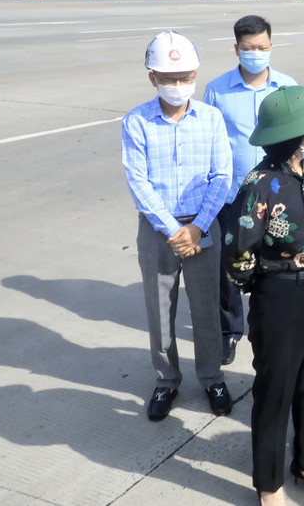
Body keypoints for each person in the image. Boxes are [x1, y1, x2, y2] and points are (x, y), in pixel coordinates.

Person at [224, 86, 304, 506]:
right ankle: (269, 484)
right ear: (298, 134)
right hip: (276, 296)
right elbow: (238, 250)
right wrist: (262, 286)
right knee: (275, 390)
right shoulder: (260, 184)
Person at [121, 30, 233, 421]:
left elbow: (222, 176)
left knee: (206, 310)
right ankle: (166, 381)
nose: (178, 85)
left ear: (197, 74)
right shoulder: (136, 122)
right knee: (160, 310)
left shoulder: (212, 118)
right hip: (158, 230)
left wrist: (199, 227)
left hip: (204, 227)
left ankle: (212, 376)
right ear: (152, 78)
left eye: (185, 76)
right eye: (169, 78)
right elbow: (139, 182)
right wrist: (174, 230)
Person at [203, 15, 297, 367]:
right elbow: (210, 141)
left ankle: (268, 325)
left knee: (273, 265)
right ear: (236, 49)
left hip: (277, 196)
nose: (256, 53)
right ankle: (229, 332)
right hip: (233, 196)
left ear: (271, 46)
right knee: (229, 268)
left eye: (262, 47)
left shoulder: (287, 88)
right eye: (248, 48)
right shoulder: (217, 89)